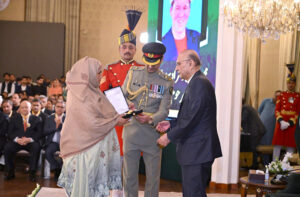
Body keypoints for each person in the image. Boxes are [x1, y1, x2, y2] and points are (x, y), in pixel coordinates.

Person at [57, 57, 128, 197]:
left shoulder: (93, 91)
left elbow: (107, 112)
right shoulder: (78, 94)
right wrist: (115, 121)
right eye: (97, 72)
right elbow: (90, 123)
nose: (101, 76)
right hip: (83, 149)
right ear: (87, 73)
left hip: (95, 150)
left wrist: (123, 112)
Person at [156, 49, 222, 197]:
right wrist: (171, 124)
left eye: (179, 64)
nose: (176, 68)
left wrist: (168, 136)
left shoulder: (199, 84)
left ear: (191, 63)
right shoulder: (198, 82)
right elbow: (192, 116)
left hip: (198, 150)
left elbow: (192, 118)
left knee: (193, 193)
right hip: (197, 150)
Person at [100, 9, 144, 197]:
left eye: (131, 47)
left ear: (135, 49)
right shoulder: (109, 69)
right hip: (116, 124)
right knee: (115, 167)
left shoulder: (143, 69)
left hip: (135, 125)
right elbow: (102, 95)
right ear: (119, 49)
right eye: (124, 47)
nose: (127, 50)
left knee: (131, 167)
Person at [121, 42, 174, 197]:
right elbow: (122, 95)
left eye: (154, 63)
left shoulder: (166, 81)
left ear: (162, 59)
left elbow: (164, 111)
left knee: (152, 178)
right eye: (148, 62)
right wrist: (127, 106)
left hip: (152, 135)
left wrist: (150, 119)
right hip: (131, 132)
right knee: (129, 176)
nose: (150, 67)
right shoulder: (133, 72)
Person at [4, 100, 42, 181]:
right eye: (22, 107)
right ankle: (10, 172)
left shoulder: (37, 119)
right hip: (17, 141)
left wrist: (29, 139)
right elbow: (10, 132)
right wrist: (17, 139)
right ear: (19, 109)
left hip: (30, 142)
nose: (24, 109)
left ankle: (32, 173)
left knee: (36, 147)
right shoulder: (14, 118)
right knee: (7, 148)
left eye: (26, 107)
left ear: (30, 108)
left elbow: (39, 133)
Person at [272, 64, 300, 161]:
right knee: (277, 146)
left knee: (290, 148)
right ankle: (274, 166)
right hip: (281, 124)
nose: (290, 85)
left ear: (295, 84)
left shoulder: (298, 96)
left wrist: (290, 123)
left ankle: (285, 168)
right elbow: (277, 110)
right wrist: (281, 121)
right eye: (289, 83)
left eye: (292, 83)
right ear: (286, 84)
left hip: (292, 125)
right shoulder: (281, 95)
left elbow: (297, 112)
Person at [43, 100, 65, 180]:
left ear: (65, 109)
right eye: (58, 107)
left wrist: (60, 125)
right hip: (53, 142)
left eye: (62, 107)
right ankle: (56, 169)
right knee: (48, 152)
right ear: (54, 108)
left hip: (65, 142)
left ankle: (62, 171)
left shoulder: (68, 118)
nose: (59, 109)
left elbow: (71, 131)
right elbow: (45, 131)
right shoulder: (49, 118)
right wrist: (55, 127)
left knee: (67, 155)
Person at [258, 90, 281, 164]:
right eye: (276, 96)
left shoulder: (280, 106)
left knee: (268, 148)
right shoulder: (266, 101)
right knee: (260, 145)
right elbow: (259, 111)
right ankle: (264, 165)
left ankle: (268, 166)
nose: (277, 98)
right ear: (273, 96)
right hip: (261, 128)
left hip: (271, 131)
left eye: (279, 97)